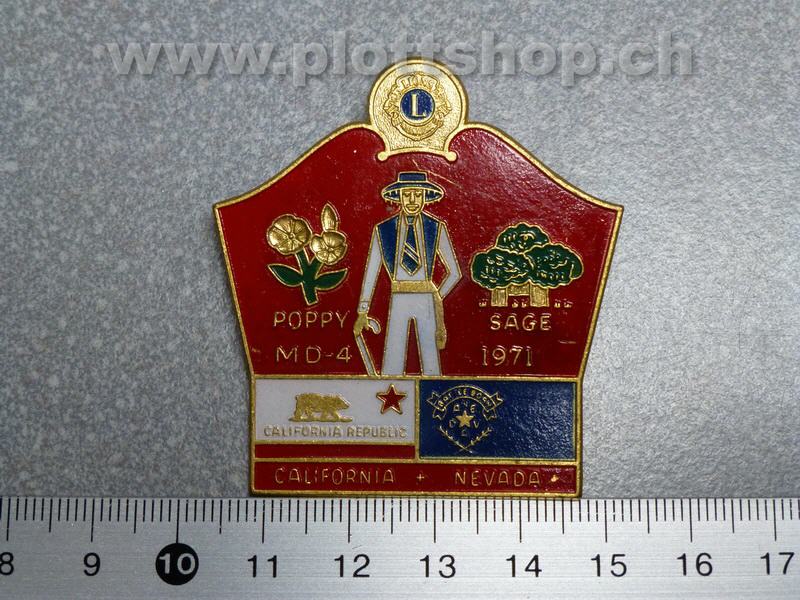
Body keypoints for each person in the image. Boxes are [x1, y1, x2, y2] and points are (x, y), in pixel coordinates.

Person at [354, 172, 461, 375]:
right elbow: (372, 272)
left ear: (425, 198)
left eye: (417, 195)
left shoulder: (436, 227)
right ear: (399, 197)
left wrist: (436, 295)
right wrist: (363, 311)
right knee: (392, 362)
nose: (412, 200)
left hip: (426, 300)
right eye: (407, 194)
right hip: (398, 297)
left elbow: (454, 272)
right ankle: (388, 392)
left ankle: (432, 391)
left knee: (431, 363)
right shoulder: (383, 230)